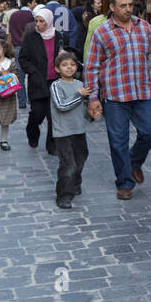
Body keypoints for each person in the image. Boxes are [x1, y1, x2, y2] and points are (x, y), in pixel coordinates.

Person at [85, 0, 151, 200]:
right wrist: (93, 97)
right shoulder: (102, 32)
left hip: (143, 91)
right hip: (115, 95)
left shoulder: (144, 27)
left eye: (130, 4)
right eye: (123, 5)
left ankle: (134, 161)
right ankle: (124, 182)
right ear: (112, 7)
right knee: (117, 141)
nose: (128, 9)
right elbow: (92, 67)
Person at [49, 51, 101, 209]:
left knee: (81, 158)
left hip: (79, 130)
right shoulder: (56, 86)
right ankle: (63, 195)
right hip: (62, 132)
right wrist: (79, 95)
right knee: (67, 164)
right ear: (58, 69)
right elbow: (62, 106)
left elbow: (82, 109)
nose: (69, 68)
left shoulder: (80, 84)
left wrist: (92, 115)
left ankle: (75, 184)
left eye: (72, 64)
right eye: (65, 65)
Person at [18, 7, 64, 152]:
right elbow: (23, 58)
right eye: (36, 21)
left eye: (42, 21)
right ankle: (32, 133)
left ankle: (52, 146)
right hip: (37, 82)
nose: (39, 24)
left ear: (49, 21)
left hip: (54, 82)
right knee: (37, 113)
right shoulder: (31, 37)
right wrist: (33, 71)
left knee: (53, 115)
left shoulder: (58, 36)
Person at [7, 0, 36, 113]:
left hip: (18, 47)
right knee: (33, 73)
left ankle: (22, 101)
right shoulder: (32, 15)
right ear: (29, 3)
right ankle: (32, 99)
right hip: (31, 47)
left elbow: (10, 33)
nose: (35, 4)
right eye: (34, 2)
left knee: (20, 75)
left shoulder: (13, 15)